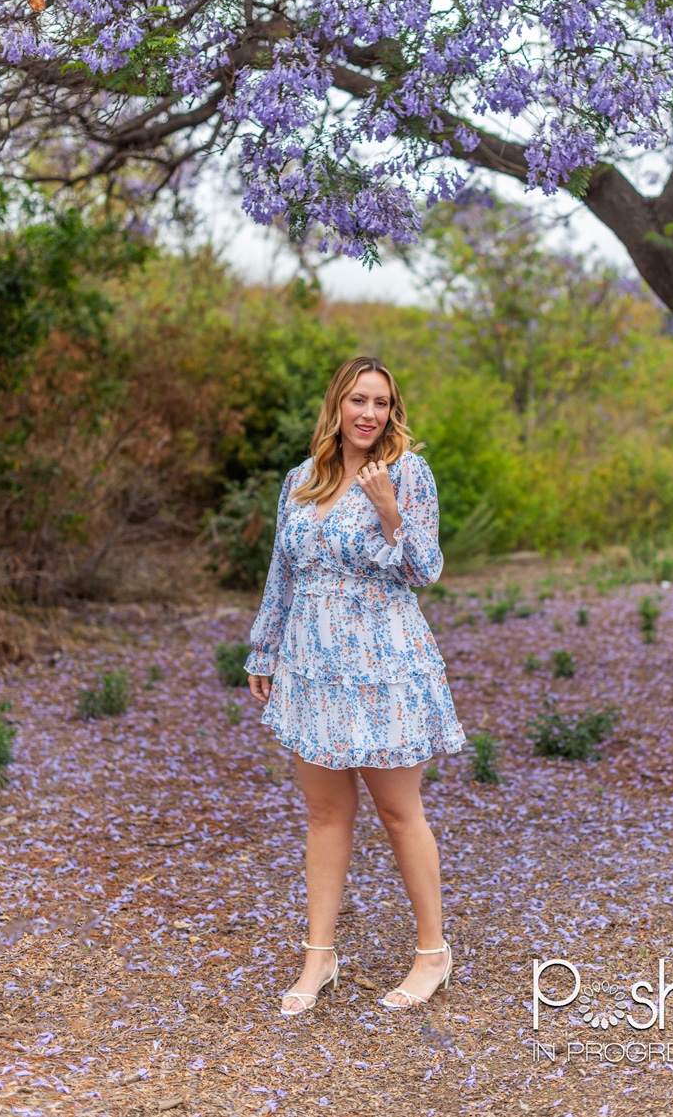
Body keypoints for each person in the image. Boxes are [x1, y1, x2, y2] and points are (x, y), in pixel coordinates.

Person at [244, 356, 467, 1016]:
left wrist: (390, 508)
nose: (369, 413)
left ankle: (433, 952)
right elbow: (281, 573)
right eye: (357, 400)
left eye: (381, 402)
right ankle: (320, 955)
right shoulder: (301, 478)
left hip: (383, 664)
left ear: (391, 410)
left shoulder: (407, 471)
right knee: (325, 813)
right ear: (337, 405)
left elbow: (425, 568)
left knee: (400, 811)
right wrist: (266, 646)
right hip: (312, 664)